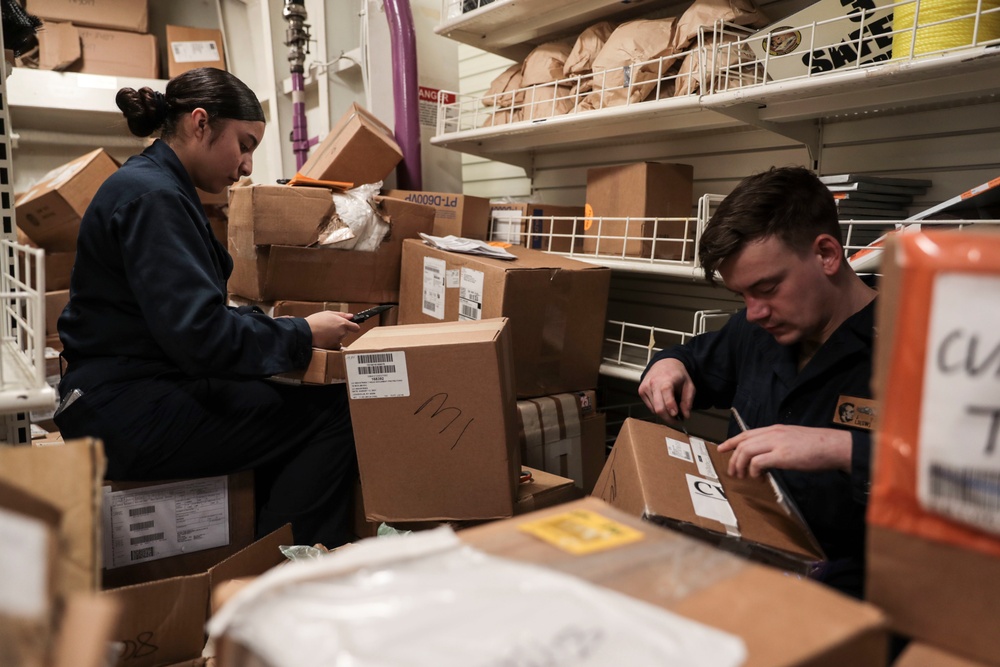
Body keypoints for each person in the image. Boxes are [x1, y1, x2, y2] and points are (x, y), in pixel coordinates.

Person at [54, 67, 360, 548]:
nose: (247, 165)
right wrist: (300, 334)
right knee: (337, 411)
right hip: (124, 413)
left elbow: (183, 320)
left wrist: (272, 328)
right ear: (200, 123)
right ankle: (290, 572)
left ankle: (259, 541)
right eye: (245, 144)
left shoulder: (155, 185)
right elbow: (202, 339)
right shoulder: (154, 197)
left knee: (276, 400)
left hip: (119, 396)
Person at [638, 166, 877, 598]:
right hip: (751, 569)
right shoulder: (756, 332)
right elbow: (693, 359)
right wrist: (669, 365)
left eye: (767, 288)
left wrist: (843, 449)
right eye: (742, 296)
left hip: (861, 598)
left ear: (826, 254)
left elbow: (969, 478)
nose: (754, 312)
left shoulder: (916, 348)